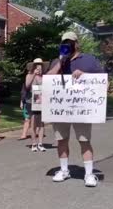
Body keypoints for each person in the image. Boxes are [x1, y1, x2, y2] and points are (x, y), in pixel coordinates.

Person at [47, 31, 104, 187]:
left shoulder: (89, 60)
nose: (67, 44)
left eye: (70, 42)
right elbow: (48, 80)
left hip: (82, 109)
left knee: (84, 141)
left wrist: (84, 75)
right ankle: (64, 170)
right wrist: (60, 62)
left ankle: (89, 174)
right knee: (61, 140)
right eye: (64, 42)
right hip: (61, 109)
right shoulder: (56, 61)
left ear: (77, 43)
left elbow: (102, 81)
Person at [24, 58, 46, 152]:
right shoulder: (29, 75)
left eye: (40, 65)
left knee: (41, 123)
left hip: (41, 101)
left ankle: (40, 143)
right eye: (37, 65)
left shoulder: (44, 77)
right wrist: (34, 74)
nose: (39, 67)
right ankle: (34, 143)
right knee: (33, 123)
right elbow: (27, 85)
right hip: (31, 101)